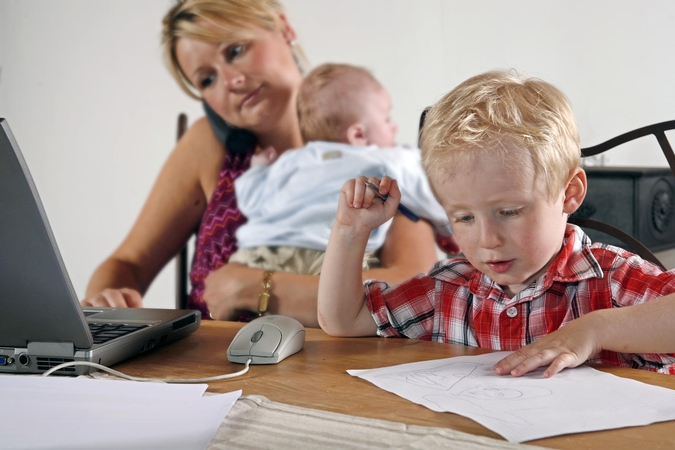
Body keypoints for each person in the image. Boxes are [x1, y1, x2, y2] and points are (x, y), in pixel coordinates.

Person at [80, 0, 440, 328]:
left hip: (334, 380)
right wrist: (106, 301)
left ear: (285, 28)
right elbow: (127, 264)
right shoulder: (210, 148)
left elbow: (416, 287)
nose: (231, 82)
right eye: (207, 79)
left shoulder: (372, 147)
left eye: (235, 50)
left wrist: (255, 287)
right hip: (209, 373)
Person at [317, 69, 675, 374]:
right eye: (465, 217)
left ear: (569, 193)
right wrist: (351, 231)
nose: (487, 239)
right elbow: (343, 320)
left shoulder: (610, 280)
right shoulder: (449, 290)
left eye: (509, 212)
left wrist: (596, 329)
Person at [229, 63, 458, 275]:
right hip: (328, 257)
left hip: (263, 255)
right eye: (386, 118)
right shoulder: (383, 160)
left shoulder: (292, 161)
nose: (394, 125)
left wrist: (257, 169)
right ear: (358, 134)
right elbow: (429, 190)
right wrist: (447, 229)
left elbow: (251, 201)